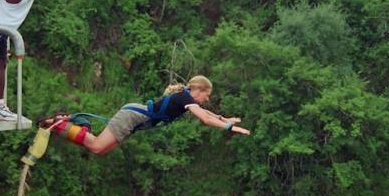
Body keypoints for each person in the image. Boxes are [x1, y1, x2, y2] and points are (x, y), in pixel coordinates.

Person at [33, 76, 250, 160]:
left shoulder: (185, 97)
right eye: (206, 95)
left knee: (99, 149)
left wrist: (224, 118)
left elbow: (208, 114)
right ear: (199, 90)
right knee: (98, 147)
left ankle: (67, 124)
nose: (206, 99)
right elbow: (204, 119)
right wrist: (229, 128)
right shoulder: (185, 97)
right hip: (132, 116)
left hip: (134, 117)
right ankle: (61, 122)